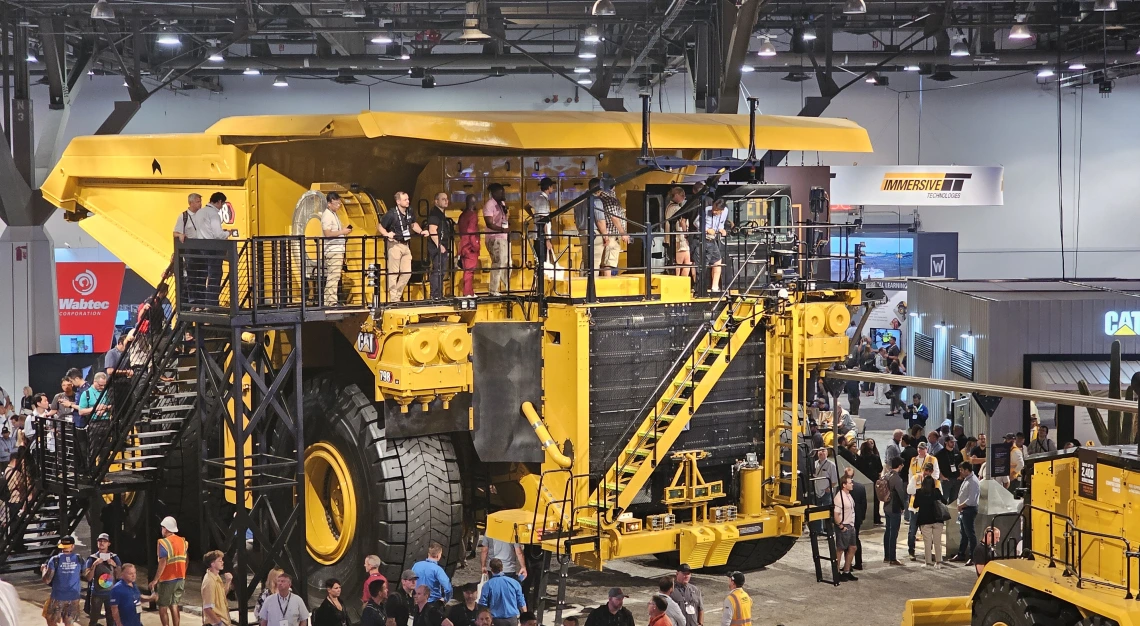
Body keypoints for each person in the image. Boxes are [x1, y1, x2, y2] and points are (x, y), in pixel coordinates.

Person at [173, 192, 227, 306]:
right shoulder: (184, 216)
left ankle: (202, 302)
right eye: (197, 202)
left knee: (203, 275)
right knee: (192, 276)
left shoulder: (202, 214)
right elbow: (175, 232)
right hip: (191, 249)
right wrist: (180, 235)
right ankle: (195, 302)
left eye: (200, 201)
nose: (200, 204)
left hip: (201, 248)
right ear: (191, 203)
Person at [378, 191, 426, 302]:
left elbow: (413, 224)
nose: (408, 201)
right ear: (398, 201)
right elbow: (380, 226)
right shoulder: (392, 213)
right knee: (394, 273)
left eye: (408, 199)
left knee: (407, 273)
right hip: (395, 244)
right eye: (405, 200)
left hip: (406, 244)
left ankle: (397, 295)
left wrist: (421, 231)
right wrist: (386, 234)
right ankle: (394, 298)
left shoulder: (410, 211)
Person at [149, 516, 189, 626]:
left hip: (167, 579)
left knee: (162, 606)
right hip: (180, 578)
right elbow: (186, 559)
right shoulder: (183, 541)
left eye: (162, 527)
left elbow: (163, 562)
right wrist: (183, 572)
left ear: (166, 529)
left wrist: (155, 580)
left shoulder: (163, 542)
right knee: (174, 604)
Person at [42, 535, 84, 626]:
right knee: (69, 622)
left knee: (50, 618)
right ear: (72, 546)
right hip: (74, 597)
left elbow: (47, 580)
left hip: (58, 596)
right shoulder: (79, 559)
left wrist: (43, 570)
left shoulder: (55, 560)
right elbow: (85, 574)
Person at [320, 191, 352, 306]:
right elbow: (327, 233)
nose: (338, 206)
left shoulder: (333, 214)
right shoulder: (327, 215)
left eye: (339, 203)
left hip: (337, 248)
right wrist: (342, 232)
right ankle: (330, 301)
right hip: (333, 250)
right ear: (329, 203)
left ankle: (331, 300)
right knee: (333, 275)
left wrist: (343, 232)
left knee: (335, 275)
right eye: (336, 203)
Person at [85, 533, 123, 626]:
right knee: (93, 620)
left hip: (111, 594)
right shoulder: (92, 558)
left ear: (108, 544)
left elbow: (119, 576)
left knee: (111, 620)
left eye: (104, 541)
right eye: (100, 541)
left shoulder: (114, 557)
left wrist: (114, 565)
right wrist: (94, 565)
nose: (102, 543)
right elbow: (88, 578)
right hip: (97, 594)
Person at [576, 179, 610, 277]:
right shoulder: (596, 200)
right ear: (599, 189)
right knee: (594, 262)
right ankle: (591, 288)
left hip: (582, 232)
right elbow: (600, 220)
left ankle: (581, 285)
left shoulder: (580, 200)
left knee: (585, 261)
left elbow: (576, 218)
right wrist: (605, 236)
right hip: (594, 233)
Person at [949, 463, 981, 565]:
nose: (960, 472)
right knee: (964, 534)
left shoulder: (973, 482)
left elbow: (971, 500)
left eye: (962, 470)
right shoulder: (967, 479)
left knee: (970, 534)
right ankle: (961, 554)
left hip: (969, 510)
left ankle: (973, 557)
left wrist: (961, 506)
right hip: (964, 510)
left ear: (967, 470)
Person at [482, 183, 511, 296]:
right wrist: (501, 230)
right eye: (501, 192)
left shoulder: (502, 204)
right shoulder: (489, 205)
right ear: (494, 193)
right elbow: (489, 224)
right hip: (494, 238)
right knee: (498, 262)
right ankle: (493, 290)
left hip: (503, 237)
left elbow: (504, 220)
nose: (503, 194)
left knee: (508, 263)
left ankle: (506, 287)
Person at [478, 559, 527, 626]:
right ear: (502, 568)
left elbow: (483, 605)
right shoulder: (514, 583)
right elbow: (521, 602)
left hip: (496, 620)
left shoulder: (487, 585)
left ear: (491, 570)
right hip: (512, 619)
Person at [914, 472, 946, 568]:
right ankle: (938, 562)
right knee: (937, 542)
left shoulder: (919, 492)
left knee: (927, 543)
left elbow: (915, 505)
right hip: (937, 520)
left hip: (925, 521)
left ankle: (928, 563)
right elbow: (944, 501)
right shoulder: (936, 491)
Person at [427, 192, 455, 300]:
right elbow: (432, 230)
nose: (446, 201)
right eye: (443, 199)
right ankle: (435, 295)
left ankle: (439, 294)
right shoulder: (435, 214)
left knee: (441, 271)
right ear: (436, 201)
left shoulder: (441, 214)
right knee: (437, 270)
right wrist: (439, 245)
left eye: (446, 199)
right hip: (437, 247)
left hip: (443, 246)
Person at [882, 457, 908, 566]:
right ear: (900, 465)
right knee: (894, 533)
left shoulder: (887, 475)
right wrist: (903, 507)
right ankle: (893, 558)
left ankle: (887, 556)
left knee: (888, 531)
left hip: (886, 506)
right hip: (894, 507)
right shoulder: (897, 478)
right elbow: (901, 495)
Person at [832, 475, 859, 581]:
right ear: (844, 485)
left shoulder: (849, 495)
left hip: (851, 525)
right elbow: (836, 514)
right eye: (850, 483)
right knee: (840, 549)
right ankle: (836, 572)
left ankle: (846, 571)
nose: (852, 484)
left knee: (853, 547)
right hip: (844, 525)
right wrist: (841, 526)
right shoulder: (839, 498)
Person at [598, 189, 629, 276]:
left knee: (605, 263)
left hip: (608, 235)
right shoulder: (609, 199)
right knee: (608, 264)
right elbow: (614, 217)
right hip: (611, 235)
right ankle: (607, 285)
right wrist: (623, 232)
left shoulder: (601, 198)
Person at [842, 467, 868, 570]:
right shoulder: (861, 487)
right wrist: (862, 517)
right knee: (856, 539)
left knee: (845, 541)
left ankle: (848, 565)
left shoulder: (841, 488)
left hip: (845, 519)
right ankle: (858, 563)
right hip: (857, 518)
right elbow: (864, 504)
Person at [458, 195, 482, 297]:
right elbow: (471, 231)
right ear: (473, 203)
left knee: (467, 270)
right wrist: (476, 245)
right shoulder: (473, 215)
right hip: (470, 247)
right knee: (469, 271)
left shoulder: (462, 215)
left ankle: (470, 291)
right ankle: (467, 292)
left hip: (463, 245)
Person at [664, 187, 691, 278]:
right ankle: (681, 283)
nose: (684, 197)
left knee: (680, 263)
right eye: (682, 195)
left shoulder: (669, 207)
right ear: (675, 195)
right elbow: (679, 225)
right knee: (684, 263)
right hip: (679, 239)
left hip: (674, 239)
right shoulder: (676, 208)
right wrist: (685, 235)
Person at [701, 199, 728, 292]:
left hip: (712, 239)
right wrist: (706, 229)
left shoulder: (725, 212)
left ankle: (715, 287)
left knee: (717, 262)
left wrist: (721, 229)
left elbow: (720, 224)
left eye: (716, 210)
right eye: (713, 208)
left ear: (721, 210)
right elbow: (696, 223)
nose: (713, 211)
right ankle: (700, 288)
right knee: (702, 264)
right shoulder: (706, 210)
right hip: (703, 239)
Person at [201, 550, 233, 626]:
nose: (222, 562)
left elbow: (222, 595)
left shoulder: (216, 576)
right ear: (212, 564)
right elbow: (207, 608)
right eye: (220, 561)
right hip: (215, 623)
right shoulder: (209, 581)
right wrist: (219, 623)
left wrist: (228, 582)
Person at [528, 178, 555, 264]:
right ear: (549, 187)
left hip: (538, 235)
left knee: (539, 262)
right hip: (542, 236)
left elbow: (527, 206)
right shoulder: (543, 200)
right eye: (552, 187)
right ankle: (540, 277)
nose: (553, 189)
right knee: (543, 262)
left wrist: (533, 216)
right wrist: (547, 240)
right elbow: (544, 222)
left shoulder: (538, 198)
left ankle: (538, 277)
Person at [810, 447, 837, 534]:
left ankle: (829, 530)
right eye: (819, 451)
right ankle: (818, 530)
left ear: (827, 453)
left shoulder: (831, 465)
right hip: (816, 492)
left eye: (823, 451)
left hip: (826, 492)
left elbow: (834, 480)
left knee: (827, 512)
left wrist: (829, 488)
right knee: (817, 511)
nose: (821, 453)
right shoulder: (815, 464)